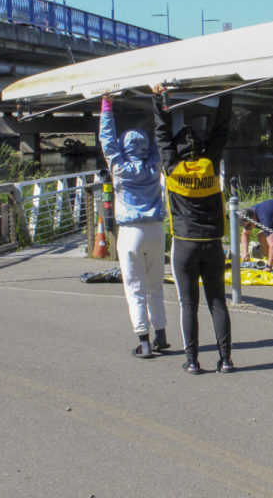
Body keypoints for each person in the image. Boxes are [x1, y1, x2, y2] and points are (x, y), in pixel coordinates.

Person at [153, 85, 235, 375]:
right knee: (217, 303)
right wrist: (227, 94)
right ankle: (225, 360)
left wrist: (160, 99)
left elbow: (161, 135)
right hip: (212, 244)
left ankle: (192, 361)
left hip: (184, 245)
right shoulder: (210, 166)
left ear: (178, 151)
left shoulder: (172, 169)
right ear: (200, 149)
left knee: (189, 305)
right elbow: (220, 131)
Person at [98, 94, 168, 359]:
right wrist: (159, 105)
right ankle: (161, 335)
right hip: (155, 231)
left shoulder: (119, 167)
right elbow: (159, 140)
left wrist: (107, 106)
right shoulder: (154, 165)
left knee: (134, 289)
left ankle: (144, 340)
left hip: (130, 233)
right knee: (155, 286)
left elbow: (107, 139)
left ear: (123, 147)